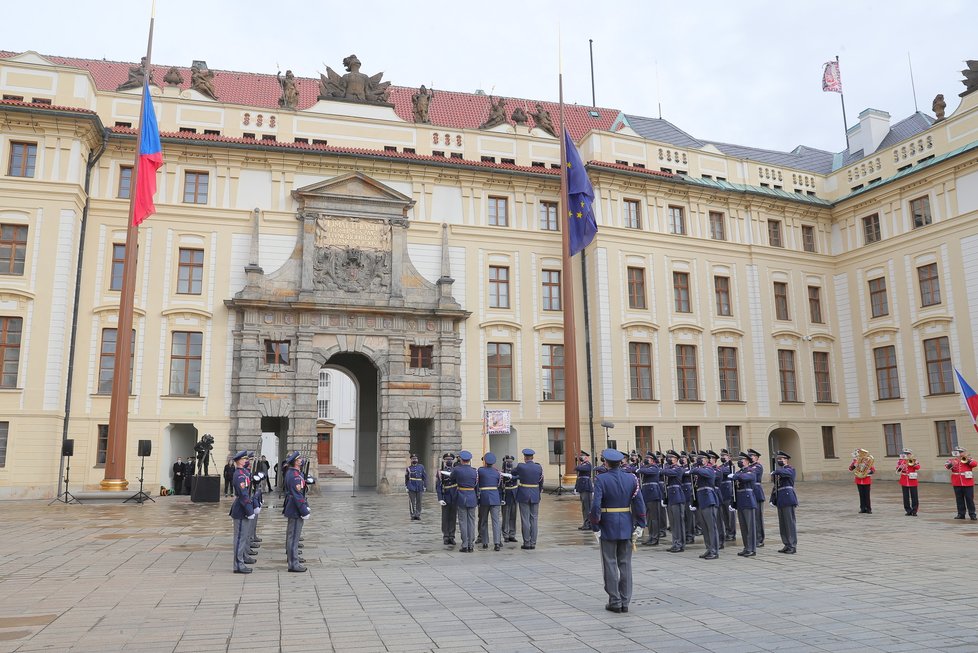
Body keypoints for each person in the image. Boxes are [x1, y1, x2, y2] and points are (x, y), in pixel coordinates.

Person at [589, 448, 645, 614]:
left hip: (608, 524)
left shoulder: (601, 479)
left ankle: (615, 601)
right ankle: (625, 601)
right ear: (621, 462)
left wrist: (595, 525)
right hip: (626, 523)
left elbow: (596, 505)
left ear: (605, 463)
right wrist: (641, 523)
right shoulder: (631, 478)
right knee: (625, 563)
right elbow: (639, 502)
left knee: (610, 563)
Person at [282, 451, 310, 572]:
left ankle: (293, 560)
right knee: (293, 537)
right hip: (295, 508)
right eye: (299, 459)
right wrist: (304, 510)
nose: (301, 460)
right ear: (295, 462)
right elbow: (297, 495)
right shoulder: (294, 475)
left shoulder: (294, 473)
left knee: (292, 536)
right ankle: (293, 563)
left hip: (293, 506)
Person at [229, 450, 255, 573]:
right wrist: (249, 510)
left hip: (243, 508)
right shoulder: (239, 475)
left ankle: (241, 562)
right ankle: (238, 565)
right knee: (239, 538)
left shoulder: (243, 473)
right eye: (244, 459)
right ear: (239, 461)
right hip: (240, 509)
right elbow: (243, 495)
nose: (246, 461)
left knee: (243, 537)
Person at [690, 451, 719, 559]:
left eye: (701, 459)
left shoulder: (709, 469)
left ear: (706, 460)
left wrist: (696, 467)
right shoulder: (699, 469)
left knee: (711, 527)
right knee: (705, 528)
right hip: (701, 500)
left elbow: (703, 473)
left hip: (709, 499)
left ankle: (714, 550)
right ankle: (709, 548)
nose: (699, 460)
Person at [514, 448, 544, 550]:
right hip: (535, 493)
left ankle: (526, 542)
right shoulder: (538, 467)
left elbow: (513, 472)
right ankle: (533, 542)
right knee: (534, 519)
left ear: (525, 457)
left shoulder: (521, 466)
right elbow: (541, 482)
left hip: (524, 494)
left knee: (525, 519)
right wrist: (538, 492)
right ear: (532, 457)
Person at [770, 450, 798, 554]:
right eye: (778, 459)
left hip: (788, 498)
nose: (780, 460)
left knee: (789, 523)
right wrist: (773, 499)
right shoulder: (779, 471)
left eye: (781, 459)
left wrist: (776, 471)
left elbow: (787, 473)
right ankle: (786, 544)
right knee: (783, 524)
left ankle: (792, 545)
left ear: (786, 460)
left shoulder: (790, 469)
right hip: (781, 499)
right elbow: (776, 486)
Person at [451, 450, 478, 552]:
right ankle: (471, 544)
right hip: (472, 496)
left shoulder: (457, 469)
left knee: (463, 522)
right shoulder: (474, 470)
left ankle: (465, 544)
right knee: (471, 521)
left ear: (461, 460)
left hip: (462, 496)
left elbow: (452, 478)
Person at [732, 452, 758, 557]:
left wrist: (736, 475)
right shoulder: (740, 472)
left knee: (750, 526)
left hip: (748, 500)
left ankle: (752, 549)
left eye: (741, 460)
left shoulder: (751, 471)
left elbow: (744, 478)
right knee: (743, 527)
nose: (739, 462)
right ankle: (746, 547)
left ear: (747, 461)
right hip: (740, 501)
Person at [477, 452, 503, 551]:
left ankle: (485, 542)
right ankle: (497, 543)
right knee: (496, 521)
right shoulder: (497, 472)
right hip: (495, 497)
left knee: (483, 520)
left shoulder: (480, 470)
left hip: (484, 497)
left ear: (485, 461)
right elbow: (499, 484)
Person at [661, 450, 686, 553]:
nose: (669, 459)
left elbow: (666, 472)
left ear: (676, 459)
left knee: (678, 522)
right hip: (671, 497)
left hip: (677, 497)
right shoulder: (668, 468)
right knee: (673, 523)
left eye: (671, 458)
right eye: (668, 458)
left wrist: (663, 468)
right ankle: (675, 542)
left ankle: (680, 544)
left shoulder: (678, 469)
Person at [637, 451, 662, 546]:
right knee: (649, 518)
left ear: (652, 461)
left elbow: (645, 471)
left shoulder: (655, 468)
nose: (646, 460)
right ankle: (651, 536)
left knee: (654, 518)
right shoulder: (645, 468)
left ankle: (655, 538)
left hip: (653, 495)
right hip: (646, 494)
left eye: (648, 459)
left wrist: (640, 469)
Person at [946, 446, 977, 520]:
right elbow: (947, 467)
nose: (959, 453)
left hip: (967, 482)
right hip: (957, 482)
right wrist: (953, 463)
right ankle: (961, 514)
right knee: (959, 499)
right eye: (958, 452)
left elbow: (975, 464)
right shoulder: (951, 460)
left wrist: (967, 460)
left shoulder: (968, 459)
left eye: (961, 452)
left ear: (964, 453)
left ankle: (972, 514)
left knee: (969, 499)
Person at [436, 453, 458, 545]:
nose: (449, 461)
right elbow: (438, 486)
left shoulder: (456, 470)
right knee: (445, 517)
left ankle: (452, 536)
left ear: (453, 461)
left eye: (450, 459)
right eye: (447, 459)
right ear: (444, 461)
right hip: (446, 495)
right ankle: (446, 536)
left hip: (455, 495)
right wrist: (440, 498)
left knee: (453, 517)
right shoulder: (440, 472)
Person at [716, 449, 737, 543]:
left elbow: (723, 471)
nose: (722, 457)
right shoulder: (720, 466)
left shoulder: (731, 466)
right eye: (722, 456)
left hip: (728, 493)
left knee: (730, 515)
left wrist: (717, 469)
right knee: (724, 515)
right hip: (722, 493)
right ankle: (727, 531)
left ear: (729, 457)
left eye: (724, 456)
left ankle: (732, 533)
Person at [748, 448, 766, 547]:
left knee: (758, 518)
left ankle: (760, 539)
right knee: (752, 518)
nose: (750, 457)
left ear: (757, 458)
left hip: (757, 493)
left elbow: (751, 474)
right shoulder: (749, 467)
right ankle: (754, 538)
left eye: (752, 456)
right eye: (749, 456)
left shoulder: (757, 467)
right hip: (750, 494)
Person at [849, 449, 875, 514]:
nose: (861, 456)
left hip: (866, 480)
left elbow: (873, 470)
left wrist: (870, 471)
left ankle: (868, 509)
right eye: (860, 454)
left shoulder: (868, 461)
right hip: (858, 480)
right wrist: (854, 465)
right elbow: (850, 468)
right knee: (861, 495)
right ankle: (862, 508)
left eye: (862, 454)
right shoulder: (855, 461)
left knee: (867, 495)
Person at [897, 448, 921, 516]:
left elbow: (918, 467)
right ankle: (908, 510)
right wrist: (901, 467)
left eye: (908, 454)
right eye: (905, 454)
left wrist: (914, 464)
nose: (907, 455)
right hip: (904, 480)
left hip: (912, 480)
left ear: (910, 454)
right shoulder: (900, 461)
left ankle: (914, 511)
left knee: (914, 496)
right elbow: (897, 469)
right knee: (905, 496)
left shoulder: (914, 460)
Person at [501, 455, 518, 543]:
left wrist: (512, 476)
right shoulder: (501, 472)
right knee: (506, 516)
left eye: (511, 462)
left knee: (513, 516)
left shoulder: (515, 471)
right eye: (507, 462)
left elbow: (519, 476)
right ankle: (505, 534)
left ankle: (512, 534)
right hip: (506, 494)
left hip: (514, 494)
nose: (509, 463)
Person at [574, 451, 594, 530]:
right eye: (580, 455)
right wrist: (576, 487)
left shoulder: (588, 464)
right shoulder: (582, 464)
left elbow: (578, 468)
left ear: (586, 457)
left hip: (586, 487)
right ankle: (585, 523)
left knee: (587, 507)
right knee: (584, 507)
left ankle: (589, 523)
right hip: (582, 487)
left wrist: (577, 465)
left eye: (582, 455)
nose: (581, 456)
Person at [405, 453, 427, 520]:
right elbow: (406, 478)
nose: (414, 460)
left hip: (419, 485)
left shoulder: (421, 467)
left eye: (416, 459)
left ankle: (417, 514)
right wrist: (406, 486)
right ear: (411, 460)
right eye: (413, 459)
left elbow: (424, 477)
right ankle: (412, 514)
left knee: (419, 501)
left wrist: (425, 485)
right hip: (411, 485)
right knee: (412, 501)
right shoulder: (408, 468)